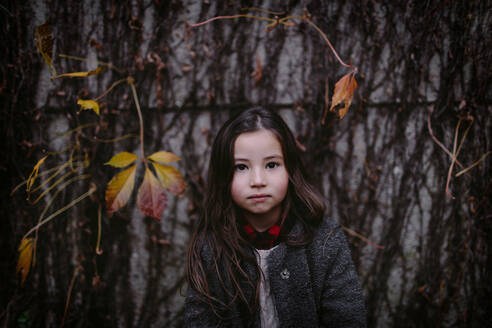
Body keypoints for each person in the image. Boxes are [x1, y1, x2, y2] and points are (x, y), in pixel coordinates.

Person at [185, 107, 366, 327]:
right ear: (224, 175)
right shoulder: (210, 248)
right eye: (241, 167)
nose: (258, 180)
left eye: (272, 165)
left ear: (290, 169)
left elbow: (347, 318)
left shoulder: (325, 241)